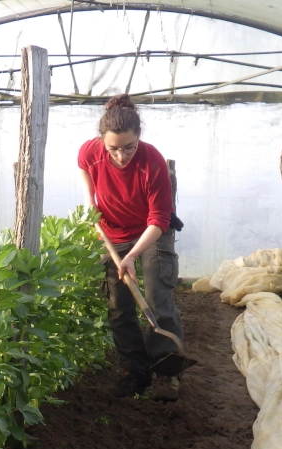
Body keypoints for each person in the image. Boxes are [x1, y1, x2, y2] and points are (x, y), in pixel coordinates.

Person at [78, 94, 186, 401]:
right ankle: (136, 372)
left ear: (139, 138)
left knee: (156, 294)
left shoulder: (152, 162)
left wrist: (133, 257)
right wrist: (90, 203)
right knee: (119, 306)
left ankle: (167, 373)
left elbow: (158, 219)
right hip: (112, 234)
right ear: (102, 142)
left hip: (151, 233)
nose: (122, 155)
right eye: (113, 149)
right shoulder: (91, 152)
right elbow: (84, 171)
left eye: (129, 147)